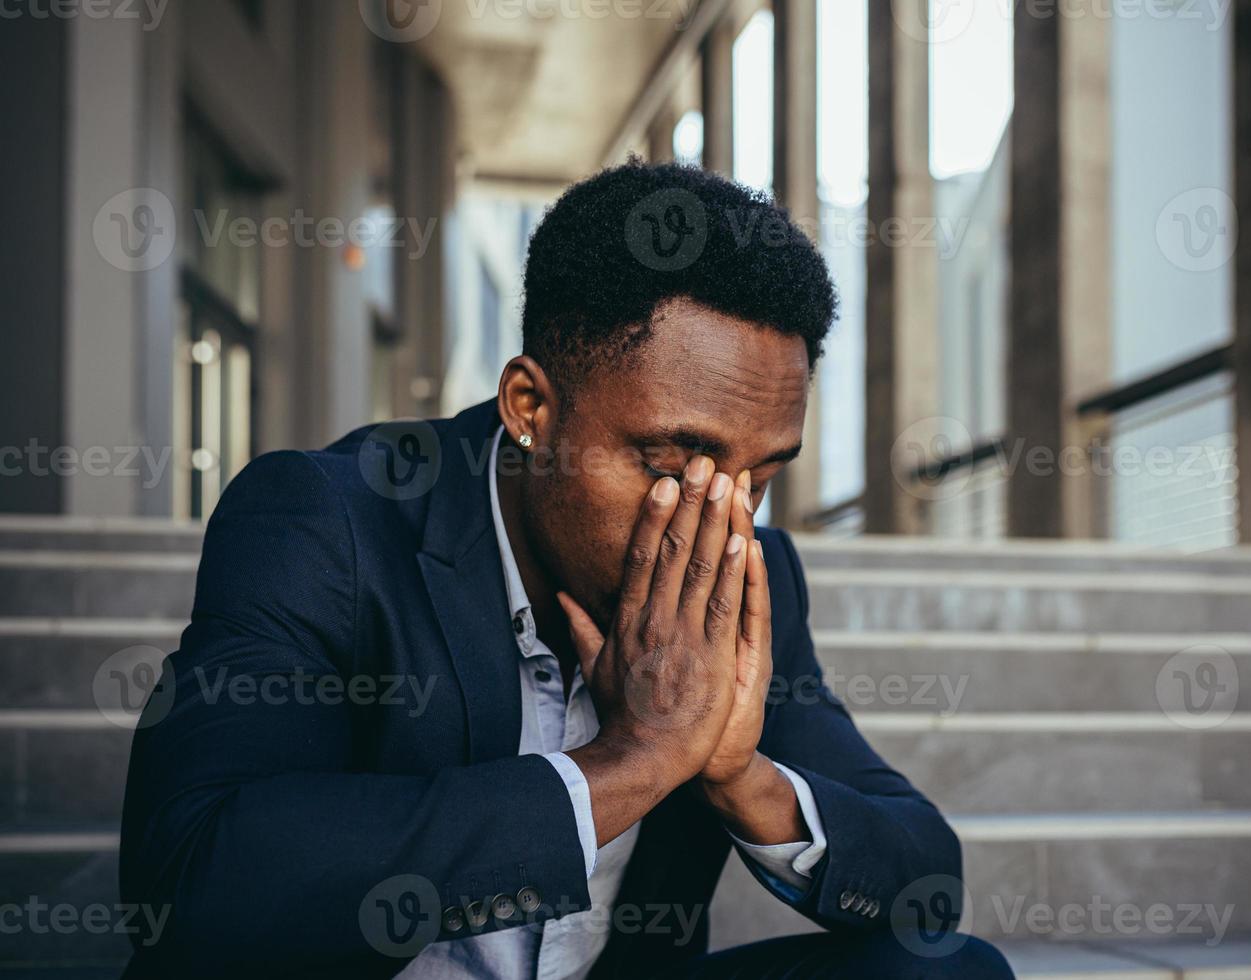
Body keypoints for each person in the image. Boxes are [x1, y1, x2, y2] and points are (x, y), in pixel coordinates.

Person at [119, 161, 1013, 979]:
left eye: (762, 476)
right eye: (670, 468)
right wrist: (630, 761)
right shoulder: (325, 522)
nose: (717, 522)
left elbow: (922, 880)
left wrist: (739, 776)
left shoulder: (749, 569)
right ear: (531, 407)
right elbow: (195, 883)